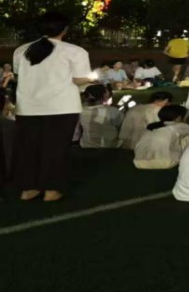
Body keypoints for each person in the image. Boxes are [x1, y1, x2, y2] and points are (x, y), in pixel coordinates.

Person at [12, 13, 94, 202]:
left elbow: (19, 75)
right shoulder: (75, 51)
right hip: (61, 107)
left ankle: (29, 189)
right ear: (65, 29)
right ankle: (51, 190)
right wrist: (90, 79)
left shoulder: (21, 50)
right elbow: (78, 79)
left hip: (28, 107)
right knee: (55, 149)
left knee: (29, 149)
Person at [133, 104, 189, 169]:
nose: (187, 117)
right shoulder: (180, 126)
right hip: (165, 162)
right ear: (178, 118)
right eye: (186, 116)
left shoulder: (151, 126)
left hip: (139, 162)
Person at [78, 84, 123, 148]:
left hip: (86, 146)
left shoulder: (80, 110)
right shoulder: (112, 111)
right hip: (109, 146)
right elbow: (121, 128)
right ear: (104, 95)